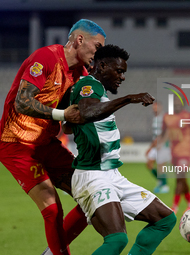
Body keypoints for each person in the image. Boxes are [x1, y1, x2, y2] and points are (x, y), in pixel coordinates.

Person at [0, 19, 106, 255]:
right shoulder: (45, 57)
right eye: (97, 47)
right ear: (79, 40)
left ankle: (51, 253)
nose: (99, 53)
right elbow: (22, 101)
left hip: (46, 144)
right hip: (16, 144)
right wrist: (62, 113)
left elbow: (68, 126)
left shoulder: (81, 75)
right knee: (52, 208)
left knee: (95, 196)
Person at [63, 44, 176, 255]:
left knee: (165, 219)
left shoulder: (97, 92)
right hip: (92, 175)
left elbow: (72, 124)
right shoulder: (88, 84)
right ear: (102, 66)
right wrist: (128, 98)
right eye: (119, 71)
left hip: (112, 175)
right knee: (116, 240)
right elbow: (87, 112)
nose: (122, 77)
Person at [160, 96, 190, 215]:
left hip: (185, 152)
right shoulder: (167, 117)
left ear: (184, 104)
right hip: (173, 152)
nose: (177, 105)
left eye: (179, 103)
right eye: (174, 103)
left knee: (180, 177)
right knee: (181, 179)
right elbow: (163, 134)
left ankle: (174, 207)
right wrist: (156, 146)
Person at [145, 101, 170, 193]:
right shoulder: (155, 118)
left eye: (156, 107)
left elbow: (166, 132)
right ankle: (160, 181)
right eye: (153, 108)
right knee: (149, 164)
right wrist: (152, 146)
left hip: (163, 145)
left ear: (160, 107)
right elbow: (156, 135)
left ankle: (165, 186)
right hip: (156, 145)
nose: (154, 109)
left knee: (161, 166)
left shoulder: (164, 118)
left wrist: (162, 143)